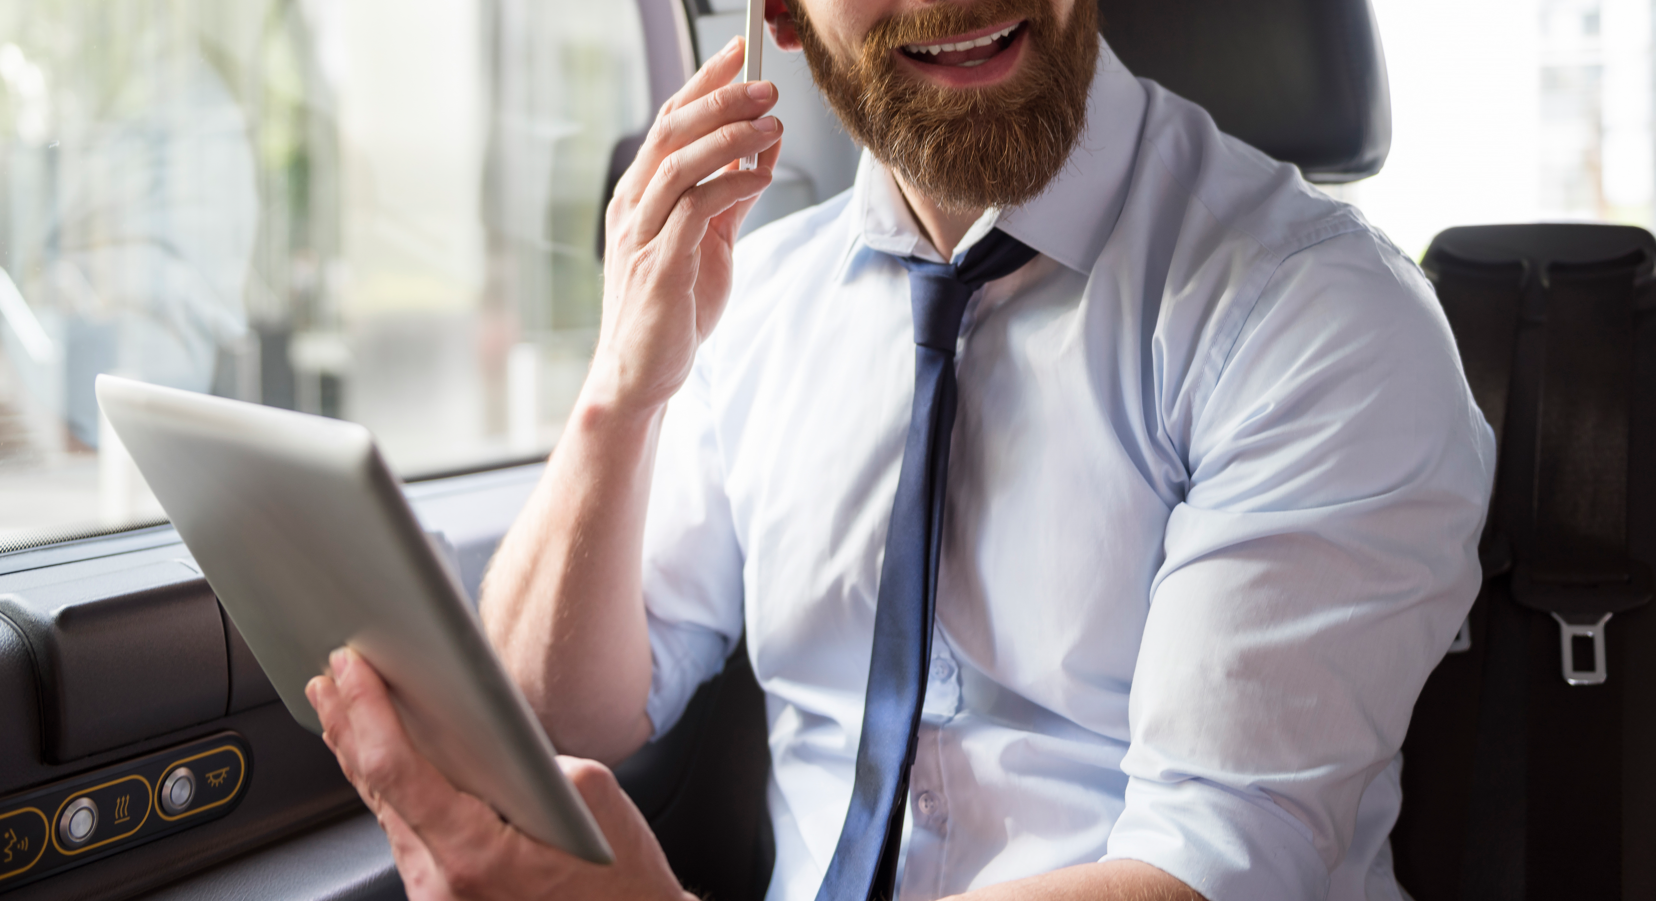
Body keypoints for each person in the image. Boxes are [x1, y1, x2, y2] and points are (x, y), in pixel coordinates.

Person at [305, 0, 1496, 899]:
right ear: (778, 12)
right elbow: (561, 719)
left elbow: (1202, 872)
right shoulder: (758, 302)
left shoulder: (1320, 317)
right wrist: (623, 387)